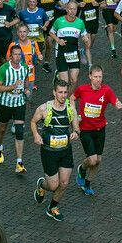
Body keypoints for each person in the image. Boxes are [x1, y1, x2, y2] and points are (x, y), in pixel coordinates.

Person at [31, 80, 81, 222]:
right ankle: (41, 185)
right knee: (53, 185)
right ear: (54, 92)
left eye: (65, 92)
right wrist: (36, 135)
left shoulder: (70, 109)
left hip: (65, 151)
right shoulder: (44, 109)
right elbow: (33, 122)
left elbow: (76, 125)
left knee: (64, 183)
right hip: (48, 151)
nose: (63, 95)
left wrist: (76, 132)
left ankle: (53, 207)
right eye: (60, 92)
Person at [71, 65, 122, 196]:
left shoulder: (106, 90)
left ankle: (87, 183)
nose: (98, 79)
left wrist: (118, 104)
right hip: (85, 129)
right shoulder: (82, 89)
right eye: (95, 77)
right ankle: (82, 169)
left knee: (98, 160)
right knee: (92, 159)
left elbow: (115, 100)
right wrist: (73, 112)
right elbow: (72, 98)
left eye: (100, 77)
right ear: (90, 76)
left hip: (100, 129)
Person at [0, 44, 31, 174]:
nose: (17, 57)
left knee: (20, 131)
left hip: (19, 103)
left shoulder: (25, 68)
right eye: (15, 54)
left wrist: (26, 89)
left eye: (19, 54)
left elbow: (26, 79)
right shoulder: (4, 69)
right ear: (10, 56)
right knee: (3, 128)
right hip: (5, 103)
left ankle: (19, 162)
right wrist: (12, 87)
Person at [50, 0, 91, 93]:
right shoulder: (59, 21)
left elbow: (84, 35)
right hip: (61, 52)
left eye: (74, 9)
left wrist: (85, 38)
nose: (72, 11)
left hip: (74, 53)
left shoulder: (80, 22)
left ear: (77, 10)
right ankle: (63, 94)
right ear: (66, 9)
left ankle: (69, 99)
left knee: (74, 80)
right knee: (64, 82)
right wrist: (58, 40)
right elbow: (51, 32)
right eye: (70, 9)